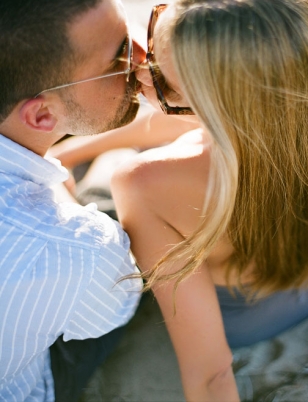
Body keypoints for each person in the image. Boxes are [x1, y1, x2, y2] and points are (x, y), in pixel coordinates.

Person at [52, 0, 308, 400]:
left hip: (246, 318)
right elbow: (189, 122)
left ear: (217, 107)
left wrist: (60, 164)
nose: (142, 75)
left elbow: (211, 373)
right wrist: (67, 153)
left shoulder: (144, 183)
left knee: (110, 172)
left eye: (165, 86)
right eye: (152, 39)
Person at [0, 0, 146, 401]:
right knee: (123, 169)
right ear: (42, 116)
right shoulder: (79, 245)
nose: (143, 55)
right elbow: (110, 313)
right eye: (120, 57)